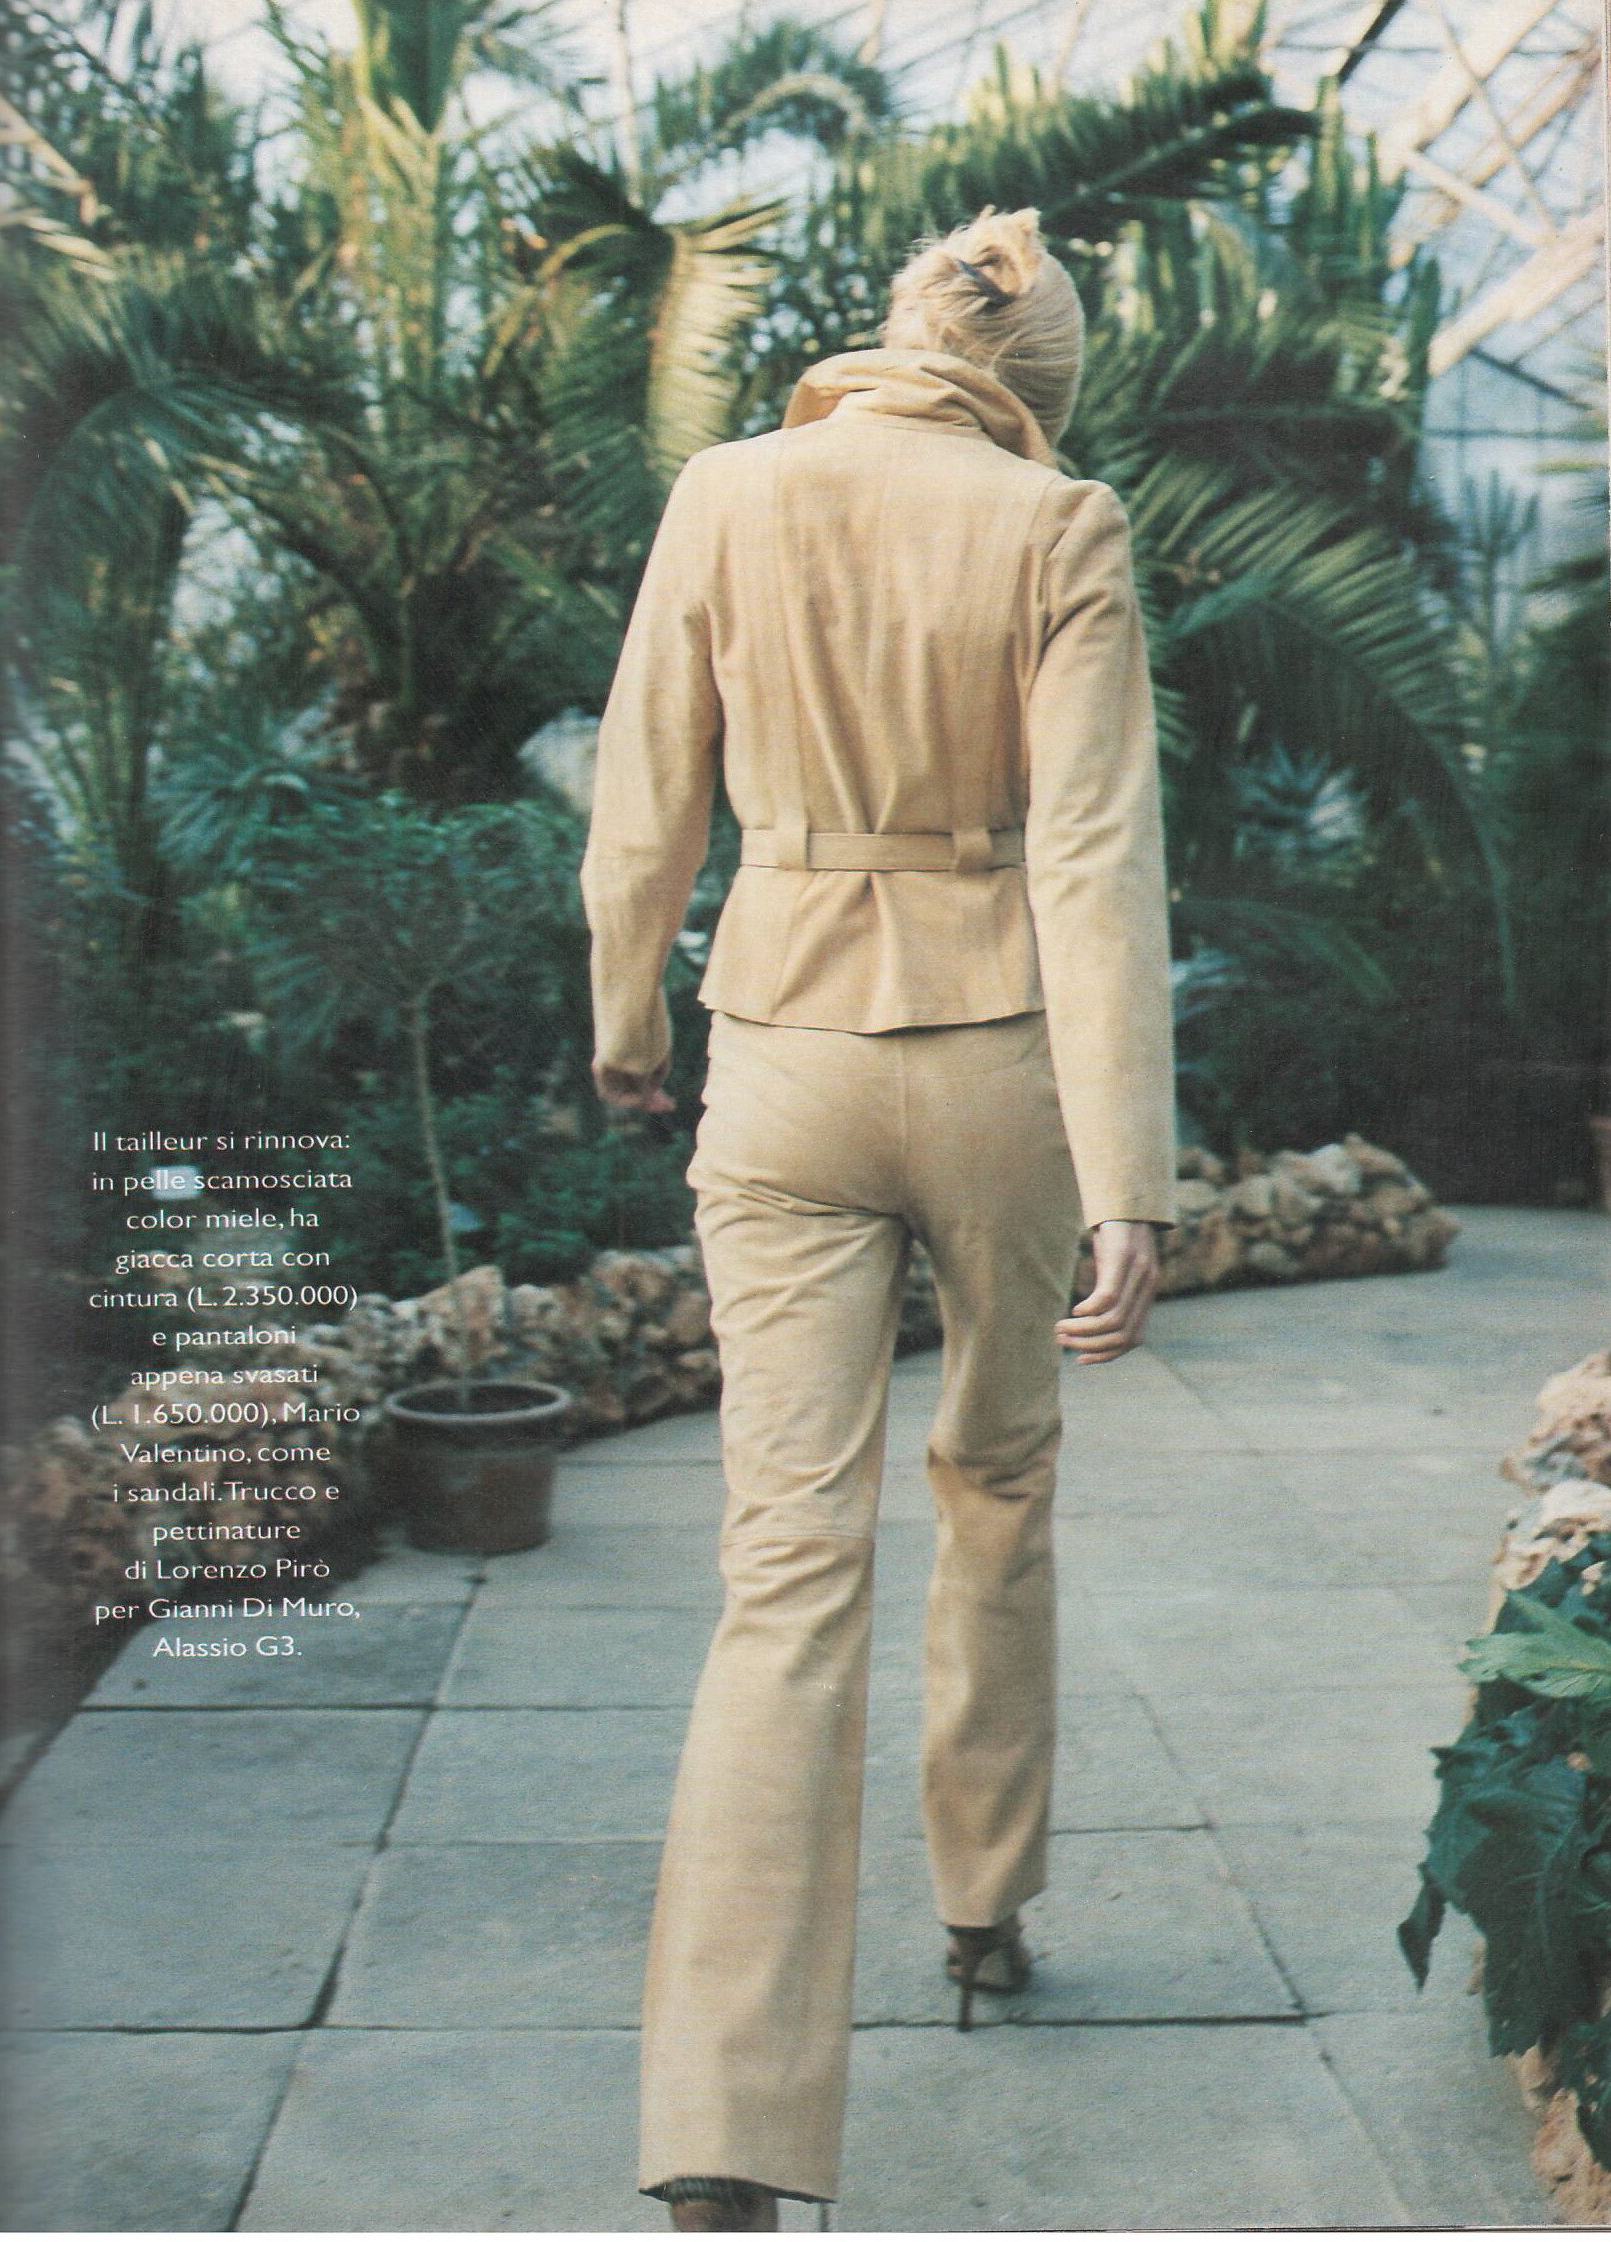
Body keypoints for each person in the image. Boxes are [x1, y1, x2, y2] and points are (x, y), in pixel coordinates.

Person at [580, 205, 1177, 2232]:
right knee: (996, 1478)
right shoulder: (1060, 522)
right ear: (1035, 385)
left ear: (890, 337)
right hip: (1002, 1067)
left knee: (785, 1565)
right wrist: (1130, 1176)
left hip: (780, 1052)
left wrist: (627, 1015)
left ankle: (723, 2131)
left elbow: (644, 798)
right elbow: (1091, 855)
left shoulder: (728, 490)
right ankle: (983, 1901)